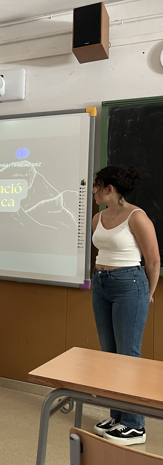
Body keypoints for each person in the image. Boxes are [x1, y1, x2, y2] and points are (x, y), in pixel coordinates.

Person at [91, 166, 160, 445]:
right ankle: (117, 415)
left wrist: (148, 293)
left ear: (110, 188)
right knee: (109, 355)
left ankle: (134, 424)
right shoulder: (98, 217)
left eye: (97, 186)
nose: (93, 191)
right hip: (101, 283)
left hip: (130, 284)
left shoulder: (137, 216)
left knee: (128, 355)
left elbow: (153, 261)